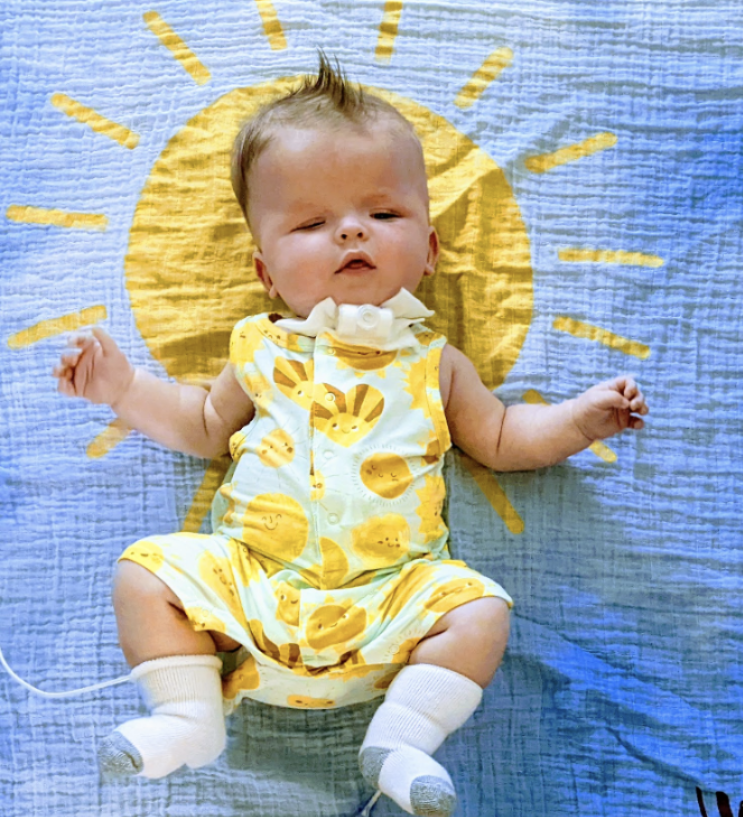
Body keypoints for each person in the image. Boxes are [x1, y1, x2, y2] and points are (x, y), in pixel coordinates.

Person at [53, 55, 648, 817]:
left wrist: (577, 418)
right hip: (254, 584)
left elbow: (499, 436)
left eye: (385, 214)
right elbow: (201, 425)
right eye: (310, 223)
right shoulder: (261, 347)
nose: (351, 229)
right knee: (144, 573)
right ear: (266, 271)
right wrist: (122, 388)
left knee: (479, 609)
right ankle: (189, 715)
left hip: (392, 597)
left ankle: (402, 737)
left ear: (429, 252)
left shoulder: (432, 362)